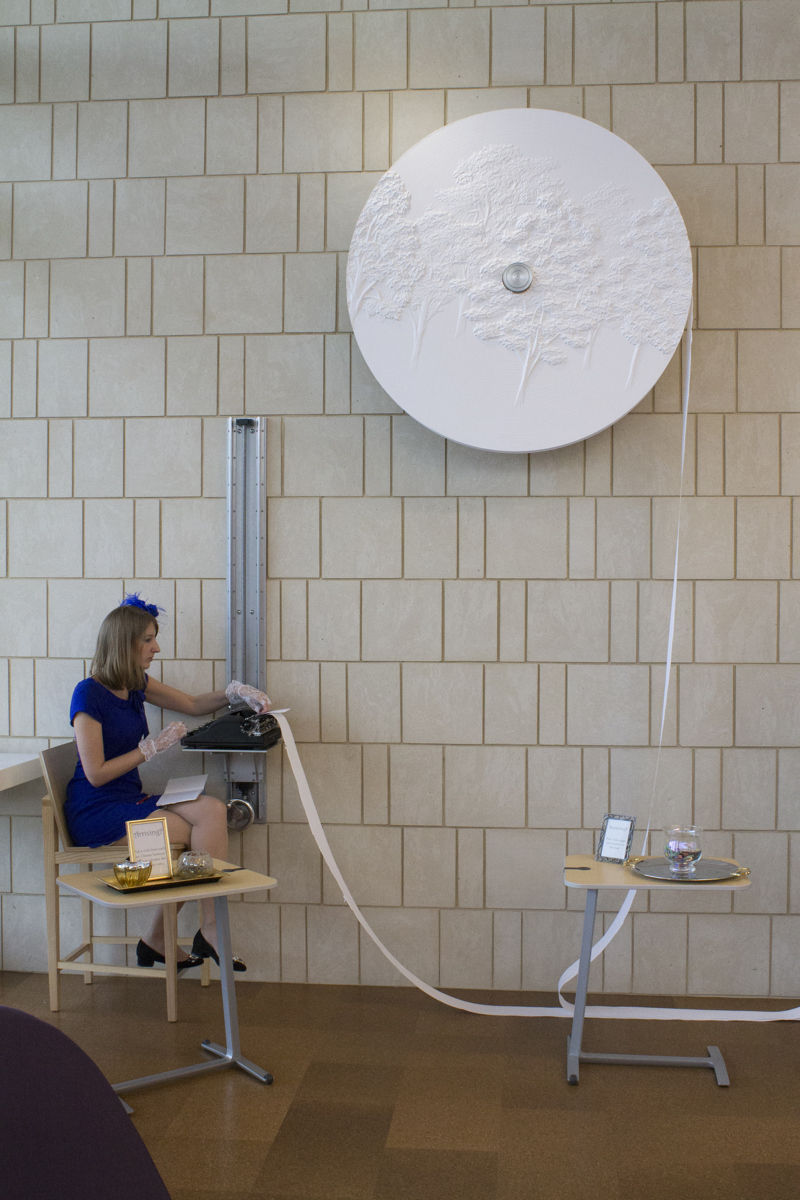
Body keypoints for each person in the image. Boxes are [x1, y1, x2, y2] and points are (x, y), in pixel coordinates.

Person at [66, 594, 271, 973]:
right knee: (198, 830)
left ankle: (187, 933)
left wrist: (233, 693)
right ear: (124, 643)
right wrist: (149, 749)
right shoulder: (88, 694)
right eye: (147, 639)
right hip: (96, 810)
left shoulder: (136, 684)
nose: (156, 648)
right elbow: (94, 774)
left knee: (211, 810)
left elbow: (192, 704)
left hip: (131, 800)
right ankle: (190, 933)